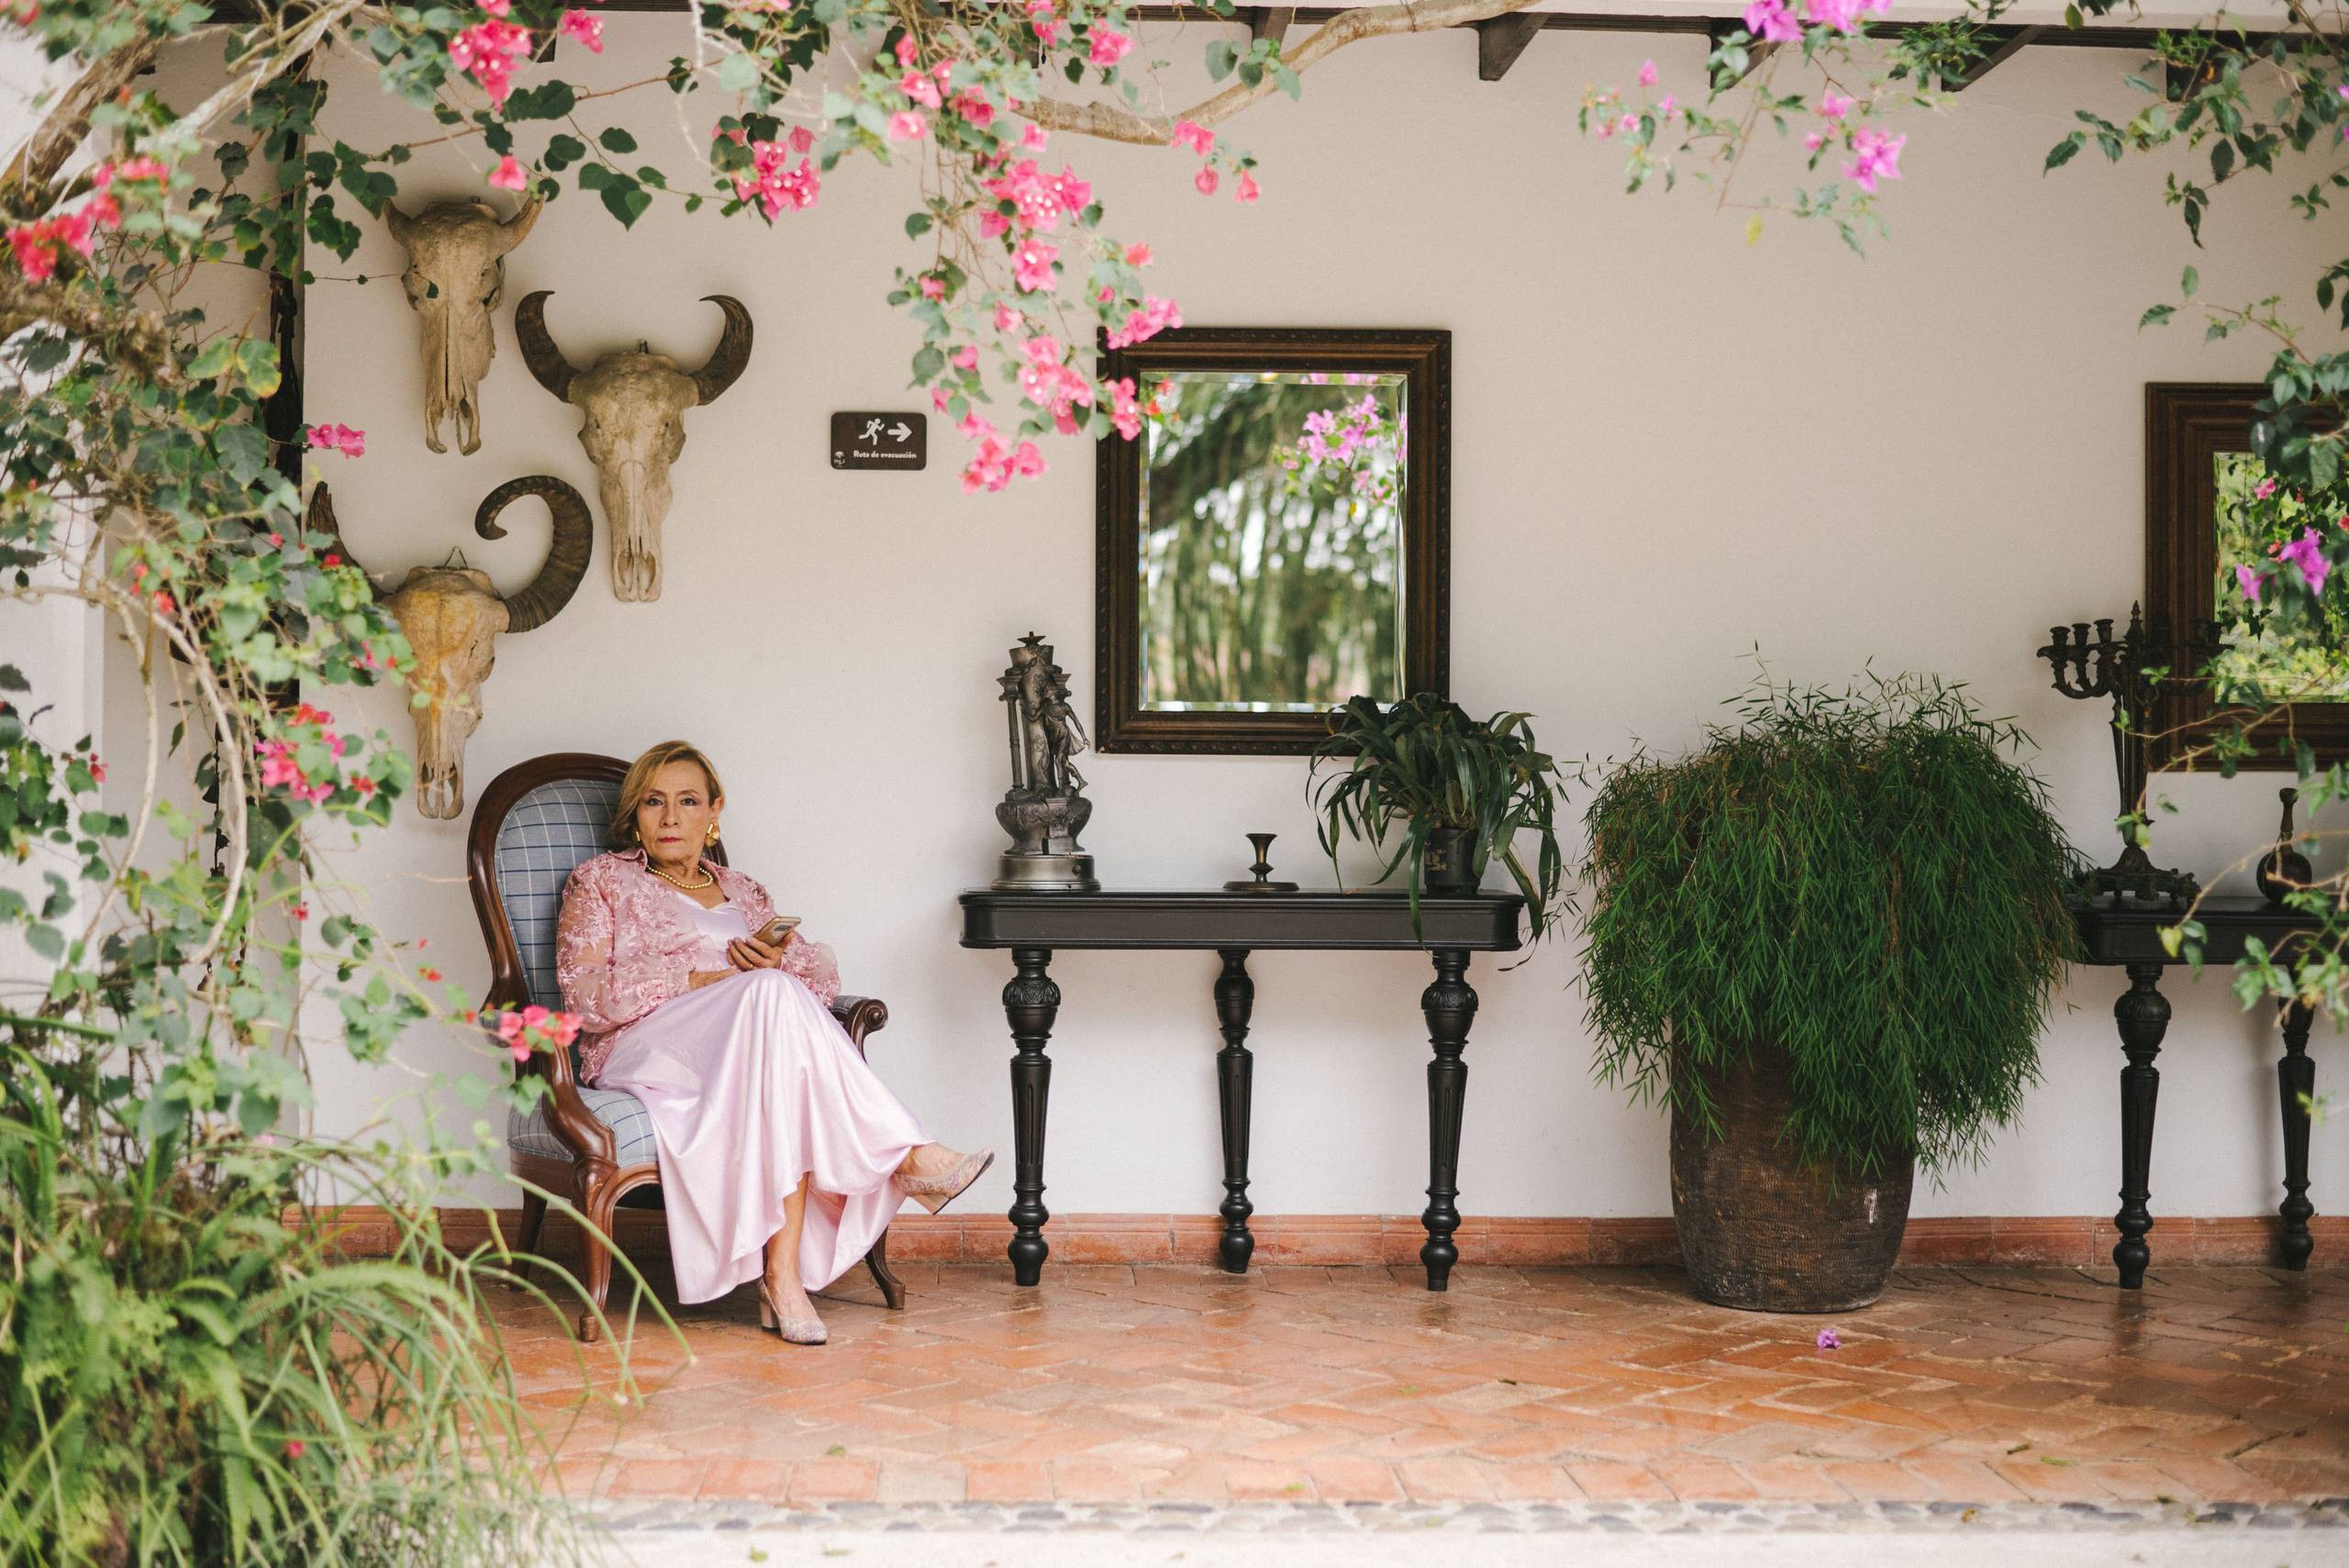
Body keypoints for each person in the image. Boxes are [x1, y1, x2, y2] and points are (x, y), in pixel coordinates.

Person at [554, 740, 989, 1345]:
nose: (672, 817)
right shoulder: (601, 880)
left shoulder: (744, 890)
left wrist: (777, 961)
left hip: (747, 1046)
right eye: (654, 802)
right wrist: (708, 977)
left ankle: (782, 1278)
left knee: (776, 1012)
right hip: (644, 1046)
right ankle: (907, 1154)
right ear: (635, 813)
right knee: (766, 994)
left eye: (688, 801)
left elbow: (821, 982)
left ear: (715, 810)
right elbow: (584, 991)